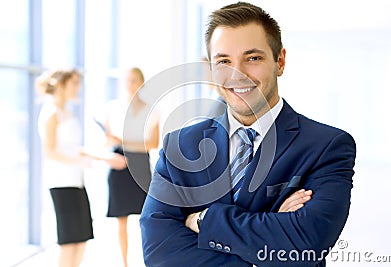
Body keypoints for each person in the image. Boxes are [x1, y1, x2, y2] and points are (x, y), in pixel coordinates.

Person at [140, 2, 356, 267]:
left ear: (280, 61)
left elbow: (305, 244)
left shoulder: (326, 146)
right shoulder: (180, 145)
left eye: (253, 58)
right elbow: (159, 251)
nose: (238, 74)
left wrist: (202, 220)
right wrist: (270, 233)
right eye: (223, 61)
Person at [37, 68, 126, 267]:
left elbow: (75, 149)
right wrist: (89, 160)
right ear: (61, 85)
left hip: (76, 182)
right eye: (74, 83)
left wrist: (104, 155)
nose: (78, 88)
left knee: (81, 239)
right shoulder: (51, 113)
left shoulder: (65, 112)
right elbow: (50, 152)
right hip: (61, 183)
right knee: (69, 243)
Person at [96, 67, 159, 267]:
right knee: (120, 219)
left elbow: (153, 143)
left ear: (142, 82)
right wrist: (121, 145)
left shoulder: (152, 109)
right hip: (119, 165)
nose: (130, 84)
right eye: (127, 80)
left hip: (140, 165)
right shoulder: (111, 108)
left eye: (134, 80)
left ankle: (147, 260)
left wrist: (123, 140)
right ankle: (124, 263)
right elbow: (106, 141)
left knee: (146, 217)